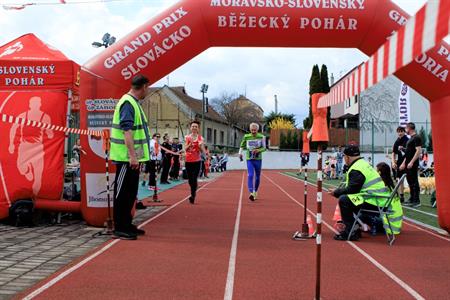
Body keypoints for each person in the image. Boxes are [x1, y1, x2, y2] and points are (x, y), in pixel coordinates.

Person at [110, 75, 150, 240]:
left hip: (133, 158)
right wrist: (133, 157)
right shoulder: (128, 103)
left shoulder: (133, 103)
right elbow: (127, 131)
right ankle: (120, 227)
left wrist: (136, 158)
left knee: (130, 193)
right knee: (122, 193)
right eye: (148, 87)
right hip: (126, 158)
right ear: (144, 86)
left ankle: (126, 224)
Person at [328, 145, 390, 241]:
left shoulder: (356, 169)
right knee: (350, 200)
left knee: (344, 200)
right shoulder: (363, 164)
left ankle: (351, 232)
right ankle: (355, 229)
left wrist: (336, 192)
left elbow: (352, 190)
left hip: (375, 201)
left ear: (347, 157)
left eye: (344, 157)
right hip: (380, 200)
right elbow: (354, 188)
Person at [9, 96, 54, 196]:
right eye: (33, 103)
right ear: (30, 105)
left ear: (39, 105)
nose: (35, 105)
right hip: (24, 148)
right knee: (21, 169)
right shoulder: (22, 116)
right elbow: (13, 128)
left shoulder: (45, 117)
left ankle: (35, 199)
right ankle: (27, 171)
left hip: (38, 149)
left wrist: (50, 133)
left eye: (36, 104)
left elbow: (50, 134)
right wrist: (11, 144)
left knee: (38, 177)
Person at [239, 123, 266, 201]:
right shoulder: (246, 136)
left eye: (255, 130)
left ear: (258, 130)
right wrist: (240, 153)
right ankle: (251, 193)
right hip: (249, 159)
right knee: (250, 175)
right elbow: (242, 145)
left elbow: (264, 148)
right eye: (252, 130)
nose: (253, 131)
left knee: (257, 176)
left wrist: (258, 150)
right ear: (250, 130)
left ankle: (256, 191)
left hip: (258, 159)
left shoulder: (261, 137)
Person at [374, 162, 403, 235]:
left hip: (387, 226)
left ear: (379, 172)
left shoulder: (381, 185)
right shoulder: (391, 185)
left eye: (376, 170)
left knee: (361, 212)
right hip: (395, 226)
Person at [400, 122, 422, 207]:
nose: (405, 130)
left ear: (409, 128)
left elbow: (418, 151)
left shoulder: (417, 137)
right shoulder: (411, 138)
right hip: (408, 163)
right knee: (410, 181)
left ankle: (416, 200)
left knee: (414, 181)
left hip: (412, 164)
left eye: (406, 128)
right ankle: (412, 198)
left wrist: (412, 162)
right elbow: (409, 152)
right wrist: (403, 149)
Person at [184, 120, 206, 204]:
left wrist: (200, 146)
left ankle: (193, 195)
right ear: (190, 128)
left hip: (197, 161)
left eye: (196, 127)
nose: (194, 128)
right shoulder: (187, 137)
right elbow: (185, 149)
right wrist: (189, 144)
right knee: (190, 180)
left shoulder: (201, 138)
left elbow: (203, 151)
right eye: (193, 126)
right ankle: (194, 190)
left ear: (198, 129)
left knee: (194, 178)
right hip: (188, 161)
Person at [391, 126, 409, 203]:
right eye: (398, 131)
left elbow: (409, 153)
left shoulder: (407, 140)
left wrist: (404, 163)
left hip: (407, 162)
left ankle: (414, 198)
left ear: (404, 132)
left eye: (401, 131)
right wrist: (393, 162)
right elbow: (393, 153)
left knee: (410, 180)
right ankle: (401, 195)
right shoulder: (397, 141)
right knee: (399, 179)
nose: (400, 133)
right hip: (399, 162)